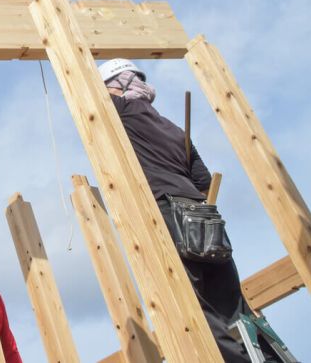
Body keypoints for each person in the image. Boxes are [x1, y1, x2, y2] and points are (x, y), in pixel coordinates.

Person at [98, 58, 250, 363]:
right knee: (235, 311)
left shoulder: (123, 113)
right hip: (204, 216)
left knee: (195, 310)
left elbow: (91, 99)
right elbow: (204, 184)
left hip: (169, 213)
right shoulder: (175, 129)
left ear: (116, 86)